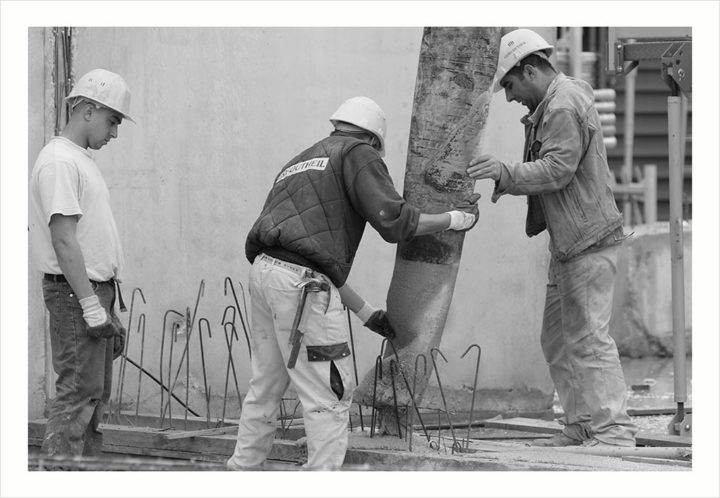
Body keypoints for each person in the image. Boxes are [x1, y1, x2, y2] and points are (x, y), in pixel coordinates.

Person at [227, 96, 479, 470]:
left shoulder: (303, 159)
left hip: (268, 277)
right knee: (329, 394)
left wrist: (365, 313)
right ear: (374, 140)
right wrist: (454, 219)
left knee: (265, 387)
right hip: (302, 288)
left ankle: (240, 474)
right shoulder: (359, 153)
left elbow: (306, 259)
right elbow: (394, 220)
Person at [467, 29, 637, 448]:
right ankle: (581, 425)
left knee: (587, 340)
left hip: (587, 241)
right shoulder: (553, 104)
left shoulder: (562, 104)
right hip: (570, 245)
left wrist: (505, 172)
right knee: (559, 340)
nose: (509, 97)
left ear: (529, 69)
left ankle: (613, 431)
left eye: (509, 85)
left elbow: (557, 169)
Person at [29, 68, 134, 456]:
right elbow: (63, 239)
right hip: (75, 296)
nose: (115, 133)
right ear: (88, 109)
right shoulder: (59, 161)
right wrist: (91, 304)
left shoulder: (78, 159)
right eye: (113, 121)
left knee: (91, 398)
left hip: (88, 294)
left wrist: (102, 300)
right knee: (77, 396)